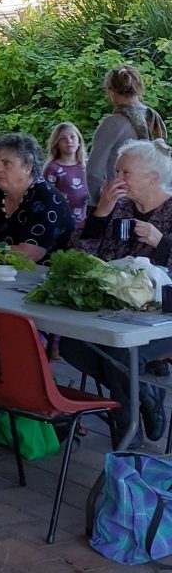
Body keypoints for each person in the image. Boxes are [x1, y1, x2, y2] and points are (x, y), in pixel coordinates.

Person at [62, 139, 172, 442]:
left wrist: (161, 242)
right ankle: (146, 397)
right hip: (117, 309)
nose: (117, 180)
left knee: (119, 350)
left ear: (153, 177)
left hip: (164, 313)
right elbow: (81, 256)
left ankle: (127, 438)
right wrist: (100, 214)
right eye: (116, 172)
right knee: (73, 344)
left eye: (126, 173)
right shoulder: (120, 206)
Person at [0, 133, 75, 263]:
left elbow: (29, 255)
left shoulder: (46, 198)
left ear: (28, 166)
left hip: (45, 277)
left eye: (6, 163)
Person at [87, 65, 167, 203]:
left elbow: (93, 172)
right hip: (151, 200)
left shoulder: (112, 123)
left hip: (121, 201)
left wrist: (100, 203)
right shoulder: (154, 118)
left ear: (111, 92)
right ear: (138, 88)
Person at [44, 122, 89, 228]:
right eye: (63, 138)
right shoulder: (53, 168)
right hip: (61, 224)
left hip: (84, 222)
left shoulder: (87, 166)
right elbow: (46, 198)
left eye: (72, 137)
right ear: (57, 144)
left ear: (79, 141)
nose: (69, 141)